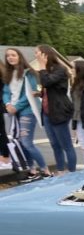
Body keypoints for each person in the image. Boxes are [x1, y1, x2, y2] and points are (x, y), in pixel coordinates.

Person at [3, 47, 50, 177]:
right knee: (19, 142)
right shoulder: (8, 74)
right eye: (8, 56)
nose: (10, 58)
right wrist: (7, 104)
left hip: (27, 111)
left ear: (20, 57)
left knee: (26, 142)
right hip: (13, 111)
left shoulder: (29, 73)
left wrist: (16, 106)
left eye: (13, 55)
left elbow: (30, 93)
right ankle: (32, 170)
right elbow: (6, 92)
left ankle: (45, 170)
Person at [35, 44, 77, 174]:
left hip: (59, 111)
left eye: (37, 53)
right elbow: (50, 88)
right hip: (47, 112)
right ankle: (60, 170)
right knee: (54, 144)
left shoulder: (60, 69)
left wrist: (42, 67)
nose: (35, 55)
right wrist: (39, 94)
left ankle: (72, 172)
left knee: (66, 145)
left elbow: (47, 82)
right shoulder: (47, 70)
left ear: (45, 54)